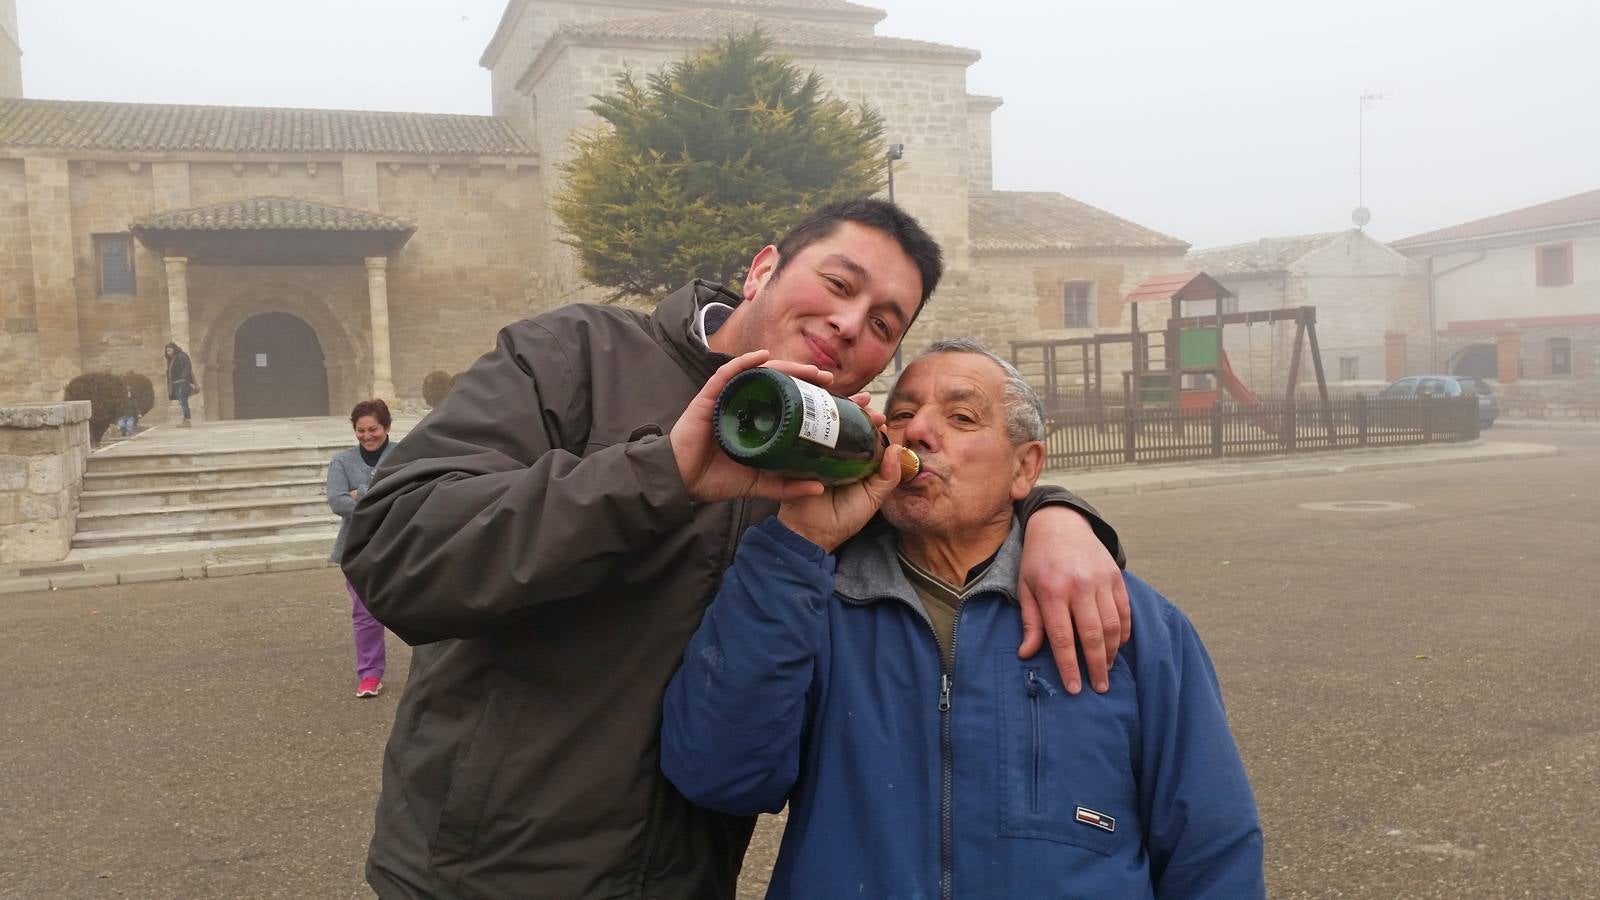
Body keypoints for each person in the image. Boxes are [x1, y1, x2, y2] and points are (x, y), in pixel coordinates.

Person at [343, 199, 1132, 898]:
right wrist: (664, 472)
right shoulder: (577, 355)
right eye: (839, 284)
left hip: (682, 878)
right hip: (480, 874)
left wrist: (1060, 517)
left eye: (885, 323)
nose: (853, 323)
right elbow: (393, 548)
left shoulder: (826, 463)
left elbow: (960, 493)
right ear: (762, 271)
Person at [662, 339, 1265, 899]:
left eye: (962, 418)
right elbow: (719, 776)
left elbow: (1211, 846)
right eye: (902, 415)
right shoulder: (814, 600)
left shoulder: (1126, 619)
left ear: (1025, 470)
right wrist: (795, 546)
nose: (918, 431)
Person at [326, 399, 397, 699]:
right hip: (358, 549)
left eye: (374, 429)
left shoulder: (403, 455)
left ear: (387, 427)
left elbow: (410, 495)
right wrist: (380, 496)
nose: (368, 436)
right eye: (361, 430)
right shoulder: (341, 462)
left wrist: (361, 494)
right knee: (364, 614)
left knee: (424, 606)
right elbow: (337, 501)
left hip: (400, 544)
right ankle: (369, 674)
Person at [163, 342, 195, 427]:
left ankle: (187, 421)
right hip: (176, 383)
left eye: (169, 350)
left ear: (174, 349)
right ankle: (185, 420)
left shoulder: (181, 355)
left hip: (182, 383)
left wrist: (183, 378)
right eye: (167, 351)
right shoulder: (172, 359)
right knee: (182, 402)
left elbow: (187, 367)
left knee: (183, 402)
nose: (168, 352)